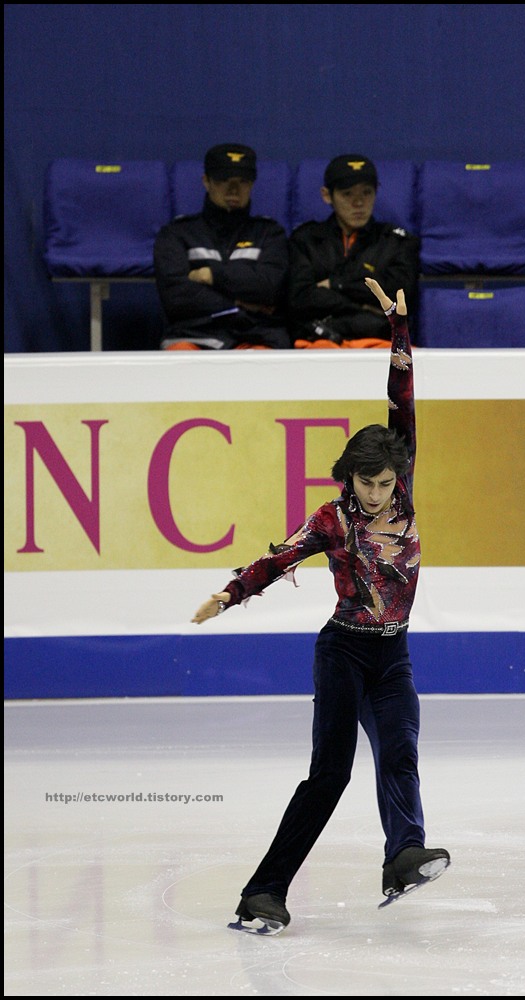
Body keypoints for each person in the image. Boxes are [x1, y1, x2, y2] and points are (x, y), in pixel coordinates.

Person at [191, 277, 450, 935]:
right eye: (367, 482)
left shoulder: (405, 495)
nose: (377, 493)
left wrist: (398, 329)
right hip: (342, 655)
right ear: (348, 478)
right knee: (327, 777)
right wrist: (231, 592)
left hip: (392, 655)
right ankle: (263, 893)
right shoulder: (331, 520)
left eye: (386, 481)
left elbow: (402, 401)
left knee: (400, 752)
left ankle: (402, 858)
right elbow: (281, 558)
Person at [153, 143, 291, 350]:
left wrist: (212, 275)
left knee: (266, 364)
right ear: (206, 182)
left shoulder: (270, 233)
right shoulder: (177, 234)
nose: (233, 190)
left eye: (242, 181)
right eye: (223, 180)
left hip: (255, 337)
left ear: (252, 184)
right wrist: (238, 304)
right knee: (180, 356)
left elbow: (270, 288)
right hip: (193, 336)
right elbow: (177, 298)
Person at [287, 154, 421, 348]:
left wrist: (337, 284)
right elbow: (299, 299)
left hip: (380, 341)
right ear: (327, 195)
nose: (358, 203)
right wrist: (363, 306)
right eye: (348, 194)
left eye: (366, 193)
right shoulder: (306, 239)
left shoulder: (397, 242)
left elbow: (399, 297)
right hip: (320, 342)